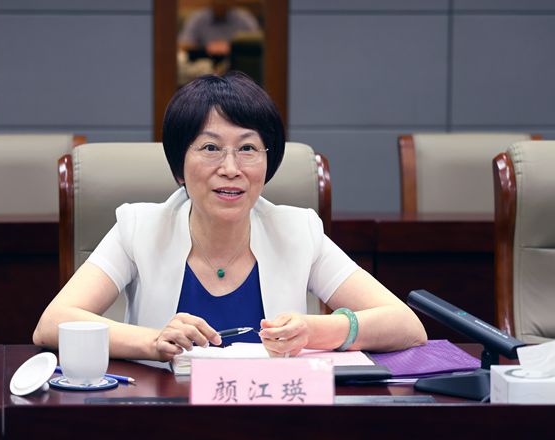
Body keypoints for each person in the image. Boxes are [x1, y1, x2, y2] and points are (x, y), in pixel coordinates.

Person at [32, 72, 427, 361]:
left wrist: (315, 330)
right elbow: (52, 325)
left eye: (248, 149)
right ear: (179, 165)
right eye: (210, 148)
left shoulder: (297, 230)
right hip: (167, 414)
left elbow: (407, 326)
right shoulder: (139, 227)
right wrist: (152, 342)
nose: (231, 168)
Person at [178, 0, 259, 58]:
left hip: (237, 66)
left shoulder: (244, 19)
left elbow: (257, 45)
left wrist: (231, 47)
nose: (220, 2)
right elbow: (183, 45)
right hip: (204, 65)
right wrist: (206, 48)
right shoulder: (197, 18)